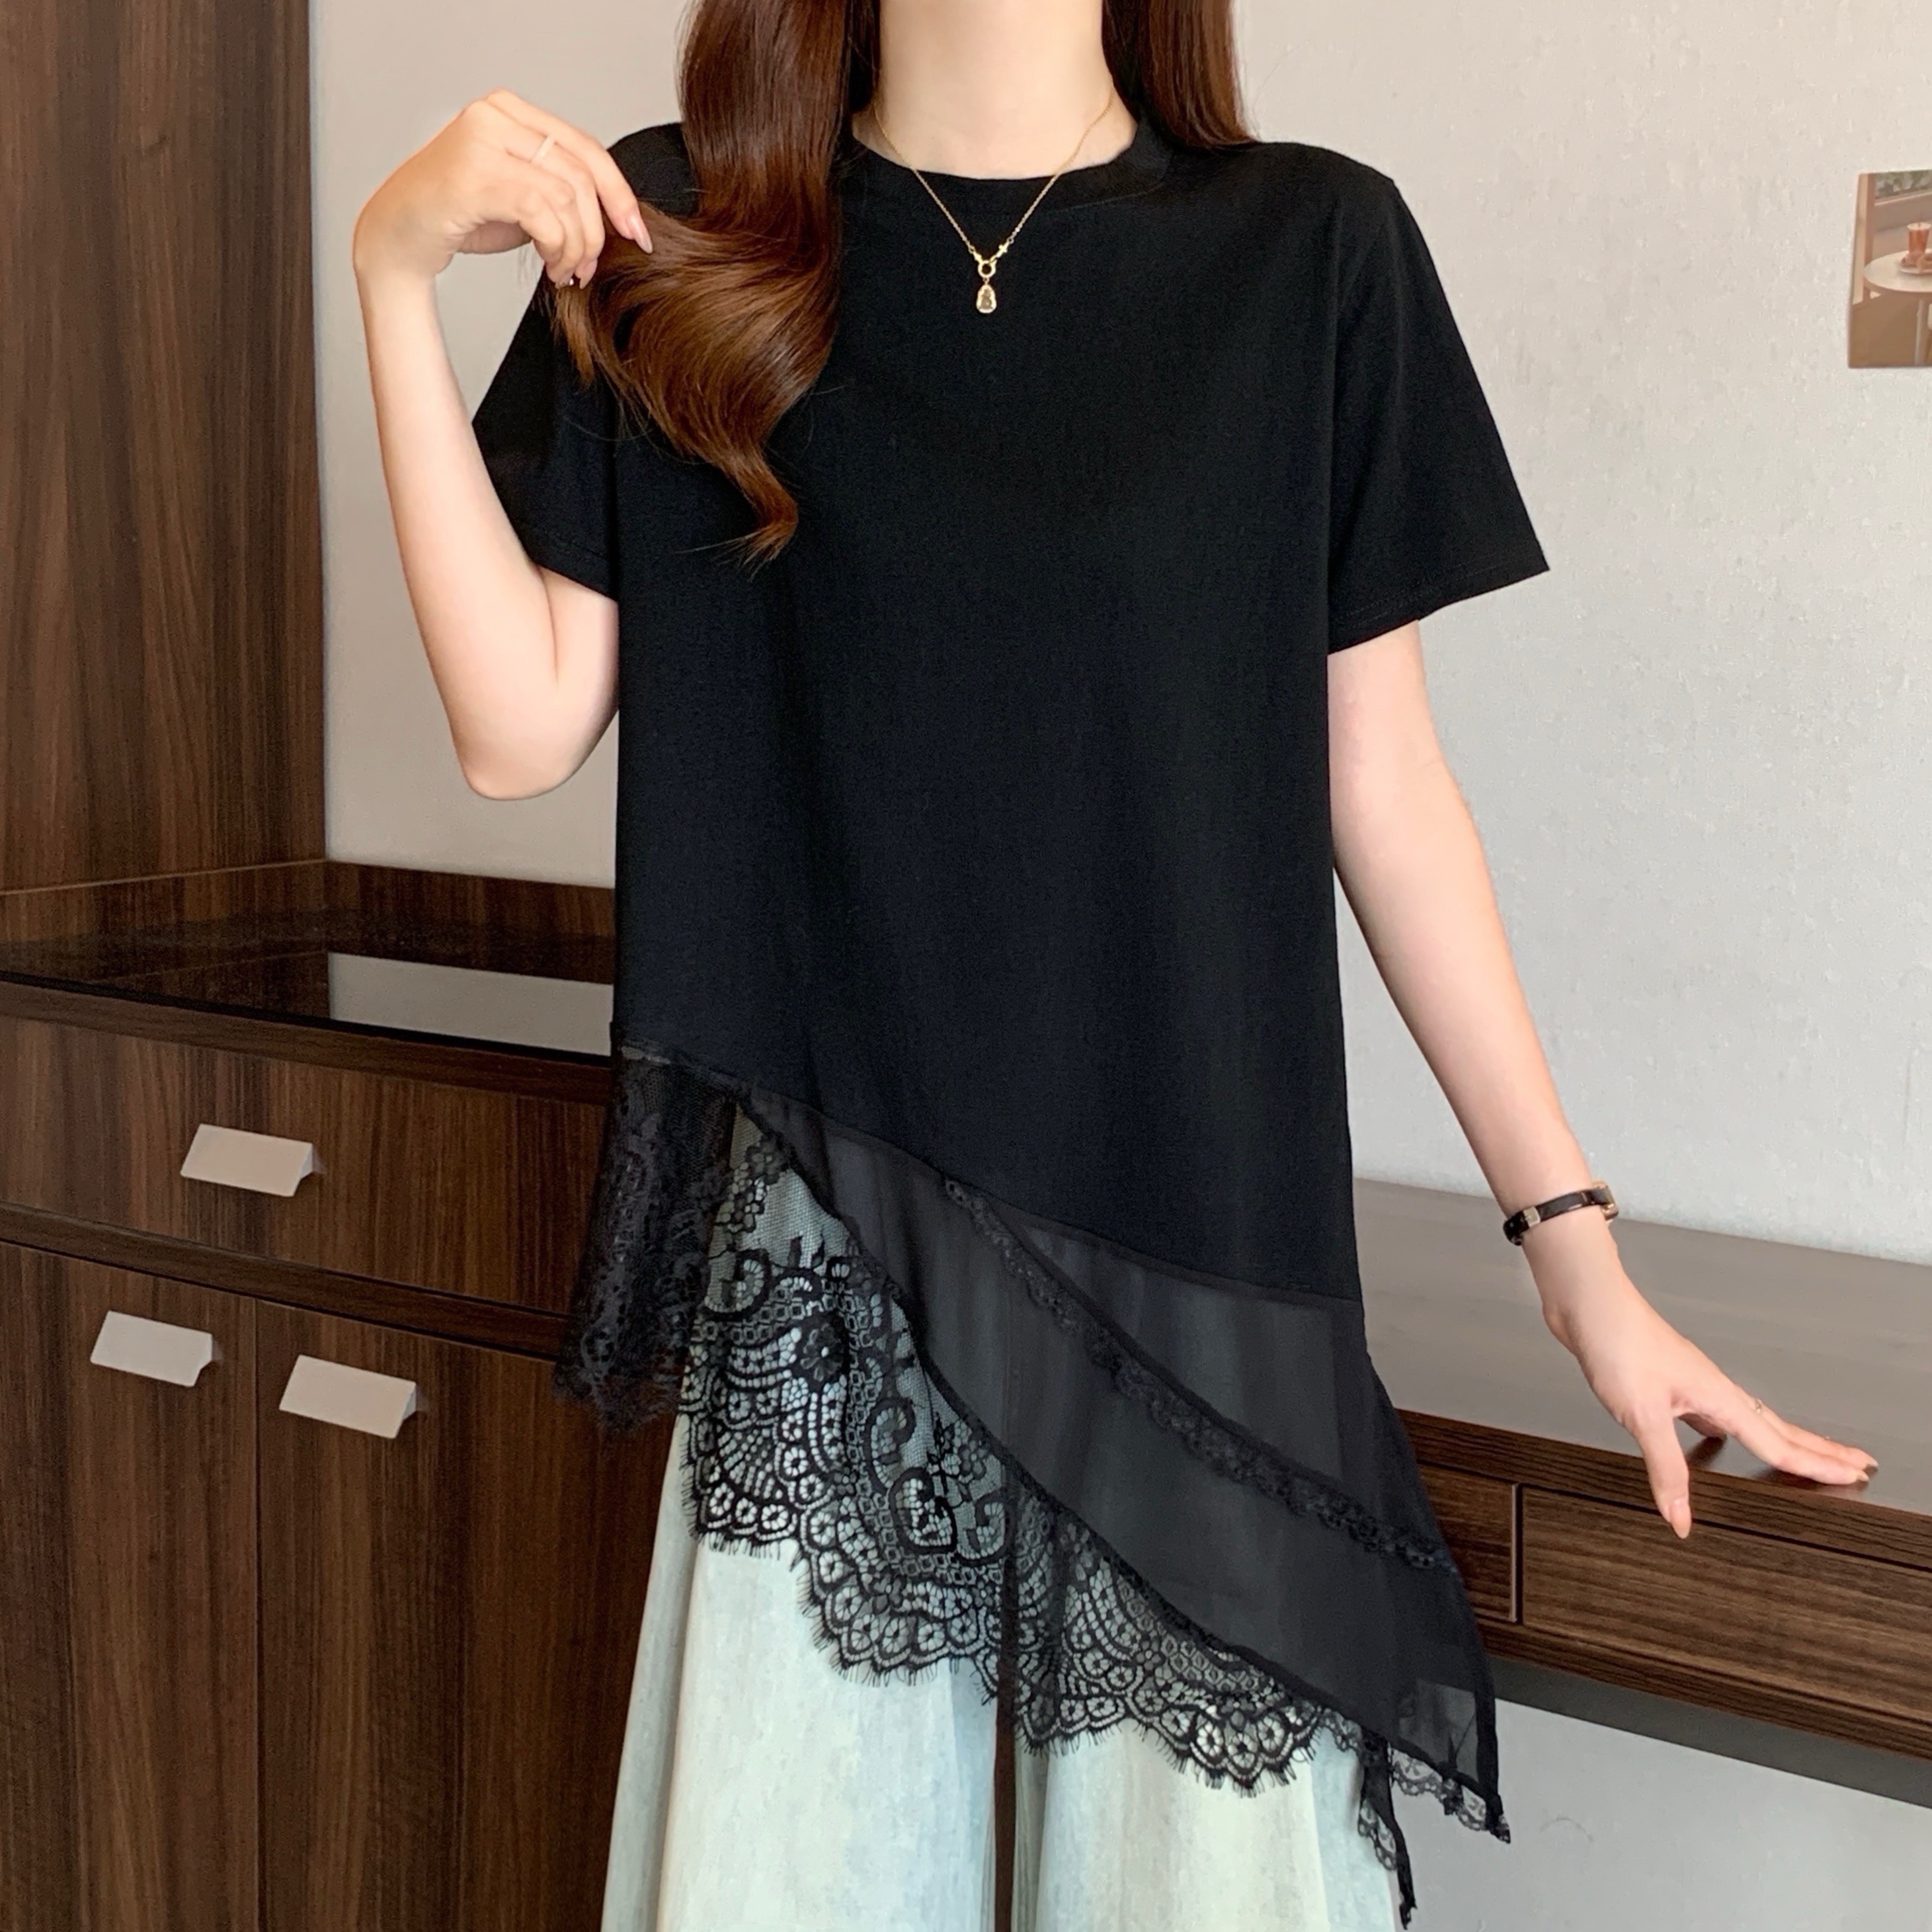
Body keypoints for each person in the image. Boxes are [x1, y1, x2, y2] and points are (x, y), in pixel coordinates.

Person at [352, 4, 1876, 1925]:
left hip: (1189, 1213)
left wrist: (1577, 1258)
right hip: (836, 1222)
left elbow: (1383, 784)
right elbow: (517, 731)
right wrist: (391, 276)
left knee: (1202, 1886)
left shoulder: (1309, 248)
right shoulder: (682, 231)